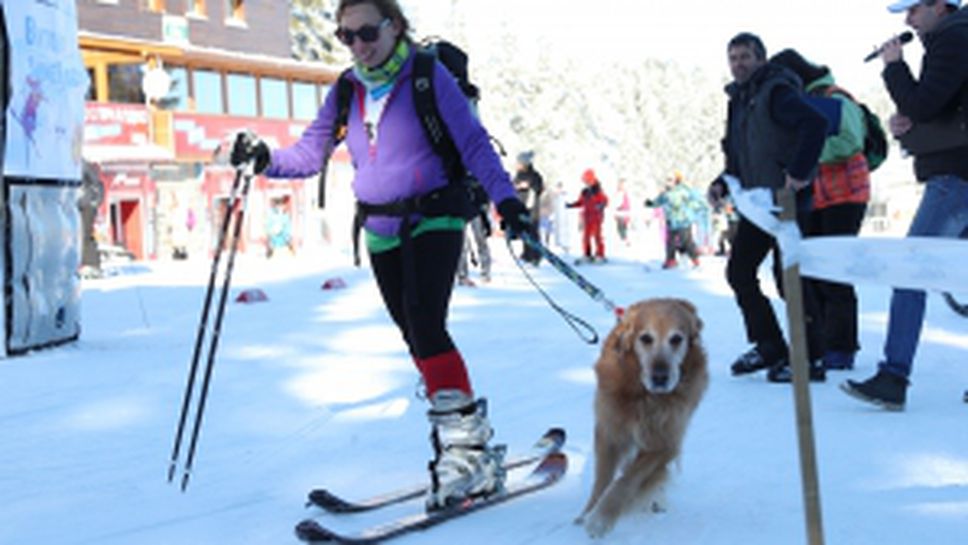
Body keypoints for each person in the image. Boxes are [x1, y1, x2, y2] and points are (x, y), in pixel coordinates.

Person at [229, 0, 531, 508]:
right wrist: (265, 158)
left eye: (366, 32)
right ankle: (464, 442)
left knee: (426, 322)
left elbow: (475, 145)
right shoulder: (347, 88)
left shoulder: (427, 77)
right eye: (345, 36)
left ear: (394, 26)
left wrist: (509, 202)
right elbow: (310, 152)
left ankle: (466, 453)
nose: (358, 45)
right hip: (380, 228)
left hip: (433, 218)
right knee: (414, 333)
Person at [842, 0, 968, 410]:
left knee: (910, 269)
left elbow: (923, 104)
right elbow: (939, 109)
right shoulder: (952, 40)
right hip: (956, 172)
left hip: (955, 178)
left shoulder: (952, 40)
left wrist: (894, 66)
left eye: (913, 11)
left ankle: (894, 376)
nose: (907, 20)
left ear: (940, 7)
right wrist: (908, 125)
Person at [714, 32, 829, 383]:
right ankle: (769, 345)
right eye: (733, 58)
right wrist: (721, 181)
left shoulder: (776, 91)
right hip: (756, 203)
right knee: (739, 271)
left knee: (788, 276)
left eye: (745, 57)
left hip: (786, 201)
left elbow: (816, 124)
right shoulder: (739, 99)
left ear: (761, 59)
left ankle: (810, 356)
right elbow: (738, 153)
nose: (738, 64)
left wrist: (798, 172)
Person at [771, 48, 872, 373]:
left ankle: (842, 346)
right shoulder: (801, 101)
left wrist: (805, 148)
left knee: (835, 270)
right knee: (812, 269)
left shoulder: (835, 97)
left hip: (846, 195)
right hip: (816, 195)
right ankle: (824, 341)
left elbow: (849, 142)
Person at [646, 172, 707, 269]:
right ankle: (670, 260)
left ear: (677, 181)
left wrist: (690, 208)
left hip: (683, 221)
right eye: (667, 180)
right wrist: (651, 203)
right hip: (671, 222)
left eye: (670, 180)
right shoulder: (666, 193)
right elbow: (659, 201)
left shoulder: (684, 191)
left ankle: (695, 259)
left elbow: (696, 201)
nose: (668, 182)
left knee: (686, 242)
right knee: (670, 242)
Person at [567, 168, 609, 263]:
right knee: (586, 237)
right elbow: (581, 202)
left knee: (597, 236)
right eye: (585, 181)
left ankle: (600, 254)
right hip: (587, 217)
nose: (586, 183)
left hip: (596, 217)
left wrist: (601, 205)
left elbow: (605, 200)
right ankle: (587, 254)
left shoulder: (598, 190)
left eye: (587, 180)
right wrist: (571, 205)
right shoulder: (584, 191)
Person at [456, 179, 492, 286]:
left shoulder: (475, 172)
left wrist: (484, 207)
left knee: (480, 241)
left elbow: (483, 191)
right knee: (461, 245)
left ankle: (485, 272)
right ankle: (462, 275)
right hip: (460, 212)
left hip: (475, 211)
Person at [513, 151, 544, 265]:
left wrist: (529, 185)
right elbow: (514, 185)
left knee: (533, 231)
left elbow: (539, 188)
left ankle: (536, 255)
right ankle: (526, 254)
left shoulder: (535, 175)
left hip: (532, 208)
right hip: (521, 206)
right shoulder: (519, 175)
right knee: (524, 230)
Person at [614, 178, 632, 246]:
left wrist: (627, 212)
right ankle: (625, 240)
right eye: (619, 184)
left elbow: (627, 203)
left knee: (623, 227)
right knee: (619, 227)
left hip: (624, 211)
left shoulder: (625, 193)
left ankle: (626, 241)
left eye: (621, 184)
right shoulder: (617, 192)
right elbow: (615, 203)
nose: (620, 186)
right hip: (619, 211)